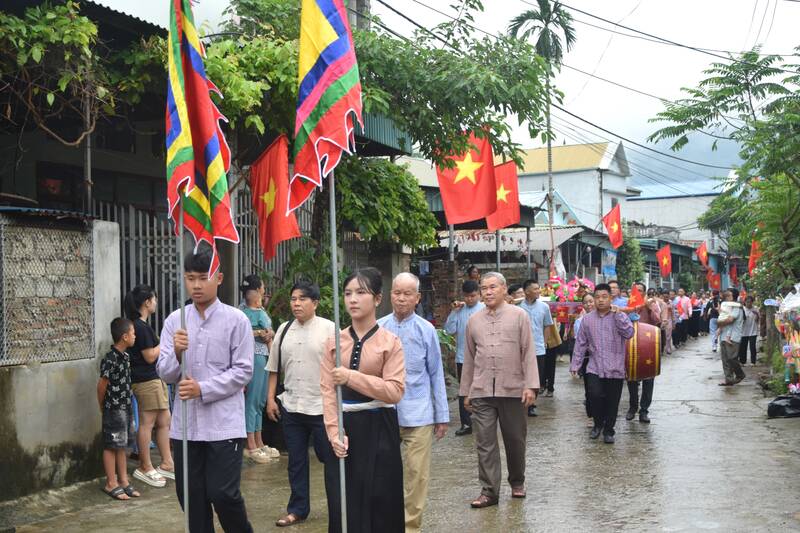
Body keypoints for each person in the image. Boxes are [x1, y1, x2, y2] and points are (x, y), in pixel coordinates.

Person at [157, 248, 255, 533]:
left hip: (224, 426)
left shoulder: (237, 320)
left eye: (203, 278)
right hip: (186, 428)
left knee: (223, 494)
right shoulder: (175, 321)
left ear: (219, 278)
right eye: (190, 278)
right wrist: (176, 352)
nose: (196, 285)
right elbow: (164, 372)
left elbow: (243, 370)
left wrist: (203, 388)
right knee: (192, 499)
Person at [321, 267, 405, 533]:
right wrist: (334, 433)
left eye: (361, 292)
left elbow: (394, 391)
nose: (353, 299)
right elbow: (326, 392)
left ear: (378, 299)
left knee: (382, 504)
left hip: (380, 428)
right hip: (344, 432)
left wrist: (350, 377)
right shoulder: (334, 342)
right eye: (347, 293)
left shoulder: (390, 342)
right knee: (343, 505)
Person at [460, 272, 538, 508]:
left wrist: (530, 386)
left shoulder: (519, 316)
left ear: (504, 289)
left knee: (515, 440)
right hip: (482, 390)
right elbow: (470, 358)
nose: (488, 292)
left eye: (493, 287)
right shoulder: (473, 320)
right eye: (484, 288)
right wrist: (466, 391)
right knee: (484, 442)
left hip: (512, 389)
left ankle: (517, 481)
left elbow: (528, 352)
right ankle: (489, 491)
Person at [379, 273, 449, 533]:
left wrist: (441, 416)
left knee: (416, 476)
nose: (401, 298)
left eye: (408, 293)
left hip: (418, 413)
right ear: (390, 295)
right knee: (384, 473)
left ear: (418, 298)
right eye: (397, 292)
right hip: (384, 412)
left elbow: (436, 373)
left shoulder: (426, 330)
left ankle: (410, 527)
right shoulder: (379, 327)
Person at [266, 281, 338, 528]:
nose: (296, 303)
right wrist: (270, 400)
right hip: (292, 406)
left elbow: (341, 369)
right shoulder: (284, 330)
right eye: (293, 298)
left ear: (315, 303)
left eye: (302, 299)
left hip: (321, 408)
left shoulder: (330, 329)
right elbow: (273, 368)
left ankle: (338, 509)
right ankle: (297, 509)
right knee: (296, 461)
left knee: (330, 460)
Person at [570, 283, 634, 444]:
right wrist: (575, 365)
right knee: (594, 395)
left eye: (604, 297)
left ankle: (609, 431)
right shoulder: (587, 320)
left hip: (615, 366)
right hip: (594, 366)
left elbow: (629, 333)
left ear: (611, 298)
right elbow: (581, 343)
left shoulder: (619, 316)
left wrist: (619, 315)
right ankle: (598, 424)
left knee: (613, 400)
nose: (600, 301)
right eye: (597, 297)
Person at [124, 285, 174, 488]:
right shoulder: (141, 326)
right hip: (146, 380)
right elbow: (150, 356)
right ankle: (145, 465)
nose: (156, 302)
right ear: (147, 302)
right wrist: (167, 343)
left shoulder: (143, 326)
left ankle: (167, 462)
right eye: (154, 298)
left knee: (164, 420)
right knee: (147, 422)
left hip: (154, 378)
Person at [98, 317, 140, 500]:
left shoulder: (126, 356)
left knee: (122, 445)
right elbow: (101, 386)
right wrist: (103, 406)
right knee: (111, 445)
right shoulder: (110, 359)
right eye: (133, 333)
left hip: (126, 406)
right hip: (113, 409)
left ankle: (123, 480)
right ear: (124, 337)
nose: (135, 336)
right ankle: (111, 482)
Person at [235, 276, 276, 464]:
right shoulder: (240, 312)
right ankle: (250, 444)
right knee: (251, 400)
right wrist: (260, 333)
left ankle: (259, 441)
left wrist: (270, 334)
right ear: (256, 290)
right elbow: (239, 334)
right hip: (251, 357)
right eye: (262, 288)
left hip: (264, 358)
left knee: (259, 400)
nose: (263, 291)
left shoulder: (260, 310)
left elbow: (269, 332)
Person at [444, 280, 485, 436]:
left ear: (479, 295)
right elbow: (449, 330)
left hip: (482, 357)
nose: (469, 299)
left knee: (482, 389)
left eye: (473, 296)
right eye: (467, 296)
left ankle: (483, 421)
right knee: (464, 391)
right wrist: (453, 312)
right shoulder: (459, 311)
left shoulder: (484, 309)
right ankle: (466, 423)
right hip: (463, 358)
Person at [625, 283, 662, 424]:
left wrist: (648, 307)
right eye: (635, 291)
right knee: (631, 379)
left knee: (648, 379)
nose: (637, 293)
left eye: (640, 291)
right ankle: (632, 408)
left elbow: (657, 321)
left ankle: (644, 410)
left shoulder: (651, 304)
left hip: (648, 347)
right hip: (631, 346)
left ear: (645, 293)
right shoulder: (627, 306)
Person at [518, 279, 553, 415]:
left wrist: (544, 342)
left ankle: (531, 404)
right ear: (527, 292)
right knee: (522, 376)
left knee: (537, 377)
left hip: (538, 348)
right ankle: (522, 402)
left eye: (539, 288)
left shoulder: (544, 307)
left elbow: (547, 325)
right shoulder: (518, 307)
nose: (539, 291)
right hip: (521, 348)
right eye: (535, 289)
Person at [716, 289, 746, 386]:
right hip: (724, 335)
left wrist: (719, 322)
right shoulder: (727, 306)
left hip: (733, 336)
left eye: (729, 295)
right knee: (725, 359)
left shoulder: (737, 307)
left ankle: (740, 374)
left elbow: (730, 320)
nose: (727, 297)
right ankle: (728, 379)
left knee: (731, 358)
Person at [573, 294, 595, 420]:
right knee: (589, 386)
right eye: (586, 302)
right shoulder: (579, 322)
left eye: (591, 301)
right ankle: (590, 410)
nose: (589, 304)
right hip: (587, 357)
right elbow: (579, 342)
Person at [738, 295, 760, 366]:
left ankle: (753, 362)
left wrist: (757, 315)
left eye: (750, 302)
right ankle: (742, 361)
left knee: (752, 347)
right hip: (743, 331)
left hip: (753, 331)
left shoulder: (755, 309)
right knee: (743, 347)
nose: (749, 304)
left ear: (752, 302)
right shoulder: (742, 309)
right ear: (745, 302)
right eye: (747, 302)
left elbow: (757, 320)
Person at [660, 290, 675, 355]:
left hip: (669, 320)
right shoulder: (660, 302)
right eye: (664, 297)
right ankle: (661, 348)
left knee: (668, 335)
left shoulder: (671, 303)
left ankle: (668, 348)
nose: (666, 298)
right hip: (661, 320)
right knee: (662, 335)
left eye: (667, 297)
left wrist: (674, 322)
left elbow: (673, 313)